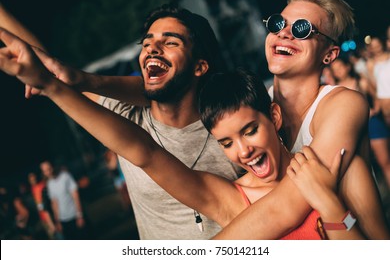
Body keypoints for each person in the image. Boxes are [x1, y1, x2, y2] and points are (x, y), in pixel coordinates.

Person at [0, 37, 365, 239]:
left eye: (250, 130)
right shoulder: (230, 198)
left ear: (273, 116)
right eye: (226, 143)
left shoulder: (333, 167)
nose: (244, 151)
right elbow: (143, 152)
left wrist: (332, 210)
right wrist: (49, 85)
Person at [0, 3, 241, 239]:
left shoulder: (234, 132)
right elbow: (48, 69)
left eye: (170, 42)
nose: (152, 48)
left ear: (199, 67)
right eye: (146, 43)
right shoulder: (126, 116)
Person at [211, 0, 389, 239]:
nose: (284, 33)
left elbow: (283, 207)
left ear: (329, 54)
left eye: (302, 29)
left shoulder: (342, 104)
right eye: (277, 24)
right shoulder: (254, 108)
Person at [331, 55, 390, 190]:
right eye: (335, 69)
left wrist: (374, 109)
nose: (338, 71)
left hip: (372, 124)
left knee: (385, 162)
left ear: (347, 67)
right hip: (353, 129)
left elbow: (377, 97)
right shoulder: (335, 89)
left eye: (340, 67)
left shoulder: (361, 82)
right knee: (364, 168)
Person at [39, 160, 86, 239]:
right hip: (63, 221)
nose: (48, 172)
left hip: (74, 216)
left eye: (49, 169)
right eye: (45, 171)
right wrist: (57, 221)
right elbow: (54, 203)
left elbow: (75, 196)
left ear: (52, 167)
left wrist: (80, 215)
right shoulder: (49, 184)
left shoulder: (65, 176)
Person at [27, 171, 57, 239]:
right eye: (31, 180)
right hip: (42, 218)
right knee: (51, 236)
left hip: (49, 215)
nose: (33, 181)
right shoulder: (32, 189)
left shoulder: (42, 185)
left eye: (34, 179)